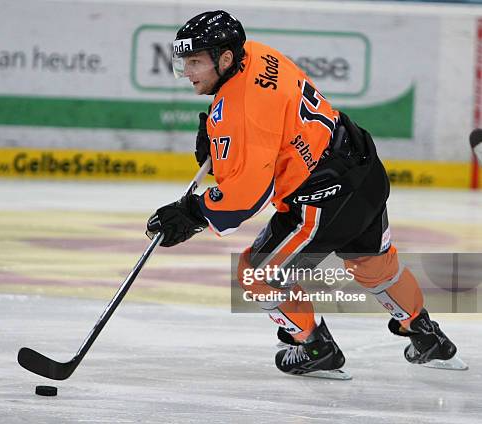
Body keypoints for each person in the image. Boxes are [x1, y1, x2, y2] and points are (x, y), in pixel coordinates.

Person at [146, 10, 463, 377]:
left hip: (323, 199)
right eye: (185, 62)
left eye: (196, 62)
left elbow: (244, 198)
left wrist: (192, 214)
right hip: (361, 168)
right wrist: (223, 148)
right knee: (375, 263)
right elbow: (273, 127)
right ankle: (426, 335)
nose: (188, 71)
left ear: (226, 58)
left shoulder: (240, 110)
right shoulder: (259, 53)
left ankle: (314, 346)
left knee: (256, 273)